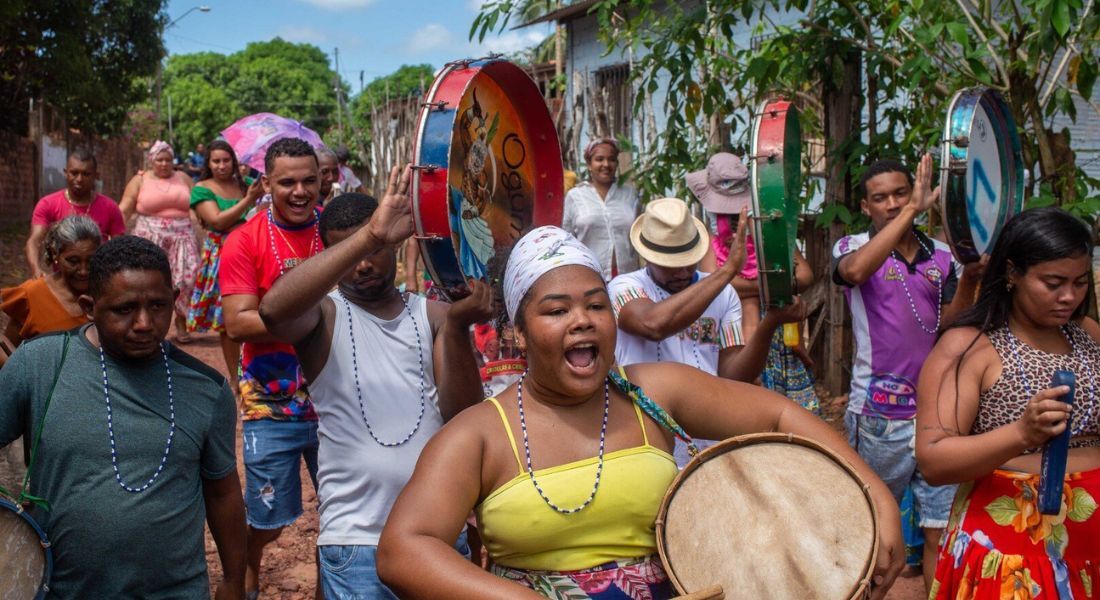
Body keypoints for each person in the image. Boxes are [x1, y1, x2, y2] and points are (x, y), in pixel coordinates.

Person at [374, 226, 904, 599]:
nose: (582, 320)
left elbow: (780, 418)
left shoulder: (651, 392)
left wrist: (875, 496)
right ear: (519, 330)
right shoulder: (483, 433)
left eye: (596, 305)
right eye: (557, 310)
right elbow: (403, 551)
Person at [259, 184, 493, 598]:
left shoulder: (434, 316)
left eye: (377, 251)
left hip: (436, 536)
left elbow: (463, 416)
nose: (364, 264)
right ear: (331, 256)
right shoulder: (324, 316)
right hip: (357, 538)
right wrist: (370, 234)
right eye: (350, 253)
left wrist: (456, 327)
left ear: (398, 249)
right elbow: (273, 309)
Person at [0, 235, 246, 598]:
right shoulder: (41, 365)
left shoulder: (206, 389)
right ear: (89, 307)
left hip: (175, 591)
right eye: (124, 309)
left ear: (175, 300)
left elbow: (223, 491)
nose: (145, 322)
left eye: (158, 306)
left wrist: (233, 581)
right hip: (64, 590)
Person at [916, 207, 1100, 598]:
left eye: (1080, 282)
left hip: (1092, 540)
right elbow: (933, 459)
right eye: (1053, 283)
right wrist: (1021, 433)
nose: (1069, 296)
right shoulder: (969, 346)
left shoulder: (1087, 335)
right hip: (1015, 547)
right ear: (1013, 273)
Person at [833, 154, 981, 589]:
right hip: (879, 415)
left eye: (902, 193)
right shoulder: (851, 248)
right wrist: (915, 211)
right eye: (881, 198)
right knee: (871, 530)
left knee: (940, 531)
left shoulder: (942, 256)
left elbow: (950, 324)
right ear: (865, 207)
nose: (894, 203)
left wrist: (970, 277)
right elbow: (856, 272)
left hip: (940, 412)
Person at [609, 197, 805, 465]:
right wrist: (726, 272)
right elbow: (652, 325)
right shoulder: (625, 287)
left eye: (688, 260)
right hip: (645, 433)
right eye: (670, 263)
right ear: (648, 256)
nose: (682, 270)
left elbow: (733, 375)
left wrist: (769, 323)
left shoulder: (723, 294)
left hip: (706, 435)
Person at [219, 137, 324, 598]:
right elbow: (238, 322)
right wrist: (314, 315)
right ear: (266, 183)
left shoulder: (337, 232)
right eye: (287, 182)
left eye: (309, 180)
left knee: (345, 511)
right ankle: (247, 567)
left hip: (337, 395)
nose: (300, 191)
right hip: (269, 398)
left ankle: (331, 588)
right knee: (269, 520)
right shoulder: (245, 239)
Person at [692, 152, 819, 412]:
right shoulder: (706, 239)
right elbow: (713, 281)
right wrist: (774, 283)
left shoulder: (769, 230)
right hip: (730, 333)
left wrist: (747, 283)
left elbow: (805, 275)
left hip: (777, 334)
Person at [188, 140, 263, 394]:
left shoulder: (245, 185)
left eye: (226, 160)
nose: (221, 166)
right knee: (228, 318)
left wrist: (257, 197)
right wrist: (249, 200)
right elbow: (217, 221)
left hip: (251, 250)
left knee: (257, 309)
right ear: (208, 164)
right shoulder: (201, 189)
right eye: (215, 161)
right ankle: (235, 378)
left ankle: (254, 370)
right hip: (222, 254)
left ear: (234, 161)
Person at [120, 140, 199, 343]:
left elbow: (196, 206)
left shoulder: (183, 178)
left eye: (168, 159)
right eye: (160, 160)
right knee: (147, 280)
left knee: (185, 279)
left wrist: (201, 230)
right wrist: (114, 230)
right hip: (149, 237)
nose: (164, 164)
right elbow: (126, 207)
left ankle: (181, 321)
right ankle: (148, 322)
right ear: (151, 161)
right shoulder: (140, 180)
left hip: (182, 236)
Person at [2, 215, 101, 367]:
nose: (83, 271)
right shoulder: (33, 295)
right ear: (56, 255)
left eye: (91, 261)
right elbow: (8, 347)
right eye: (73, 261)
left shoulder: (107, 294)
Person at [25, 149, 124, 278]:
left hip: (97, 278)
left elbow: (120, 246)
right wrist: (36, 269)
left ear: (96, 175)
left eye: (86, 174)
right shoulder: (48, 204)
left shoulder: (110, 207)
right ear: (66, 173)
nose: (79, 179)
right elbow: (35, 240)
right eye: (74, 173)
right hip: (61, 278)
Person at [561, 138, 640, 281]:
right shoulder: (575, 196)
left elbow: (640, 235)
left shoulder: (630, 194)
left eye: (611, 159)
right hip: (588, 277)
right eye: (599, 159)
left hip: (629, 277)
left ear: (616, 163)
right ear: (589, 164)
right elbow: (566, 239)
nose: (606, 164)